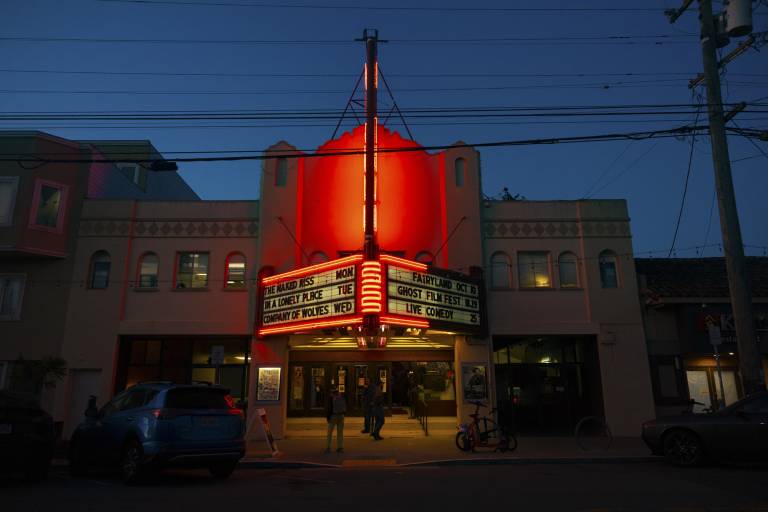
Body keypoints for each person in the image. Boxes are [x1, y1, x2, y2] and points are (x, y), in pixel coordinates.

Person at [325, 387, 346, 453]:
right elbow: (345, 407)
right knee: (340, 433)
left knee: (329, 433)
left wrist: (328, 418)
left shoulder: (331, 398)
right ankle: (340, 447)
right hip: (341, 416)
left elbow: (329, 409)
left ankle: (328, 447)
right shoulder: (341, 397)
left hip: (333, 416)